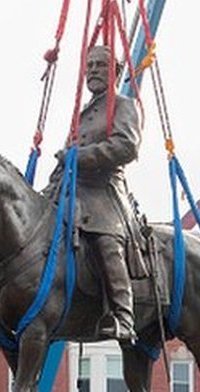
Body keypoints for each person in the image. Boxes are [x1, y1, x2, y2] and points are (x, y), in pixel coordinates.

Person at [42, 44, 147, 343]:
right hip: (71, 189)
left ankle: (124, 315)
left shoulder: (124, 105)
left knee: (105, 242)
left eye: (100, 65)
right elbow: (67, 155)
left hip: (104, 190)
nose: (93, 72)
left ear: (115, 71)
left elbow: (126, 147)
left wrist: (79, 156)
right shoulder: (83, 111)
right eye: (89, 67)